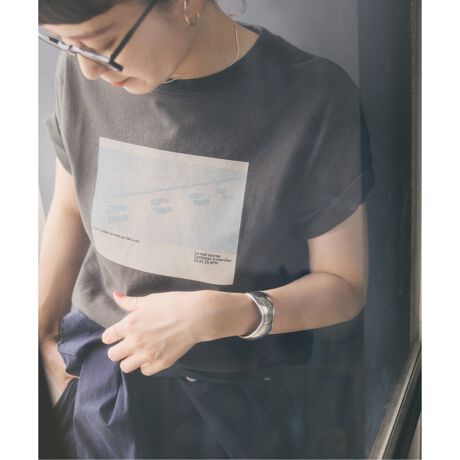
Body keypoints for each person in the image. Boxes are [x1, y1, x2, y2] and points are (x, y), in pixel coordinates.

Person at [38, 0, 375, 458]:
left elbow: (343, 285)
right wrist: (43, 335)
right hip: (103, 386)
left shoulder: (314, 98)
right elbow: (70, 207)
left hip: (241, 409)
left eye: (103, 44)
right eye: (66, 45)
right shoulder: (81, 74)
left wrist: (221, 314)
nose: (89, 70)